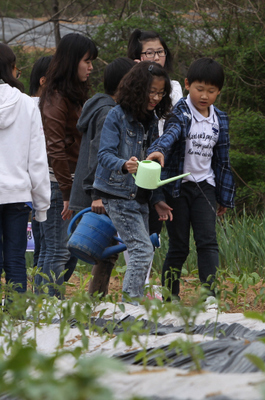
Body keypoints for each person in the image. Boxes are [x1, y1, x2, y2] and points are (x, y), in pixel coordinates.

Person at [146, 58, 236, 300]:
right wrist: (160, 150)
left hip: (205, 187)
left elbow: (223, 160)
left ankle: (210, 296)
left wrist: (224, 197)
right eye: (199, 89)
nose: (204, 96)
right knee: (179, 246)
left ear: (219, 91)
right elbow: (171, 134)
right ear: (187, 85)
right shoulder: (181, 113)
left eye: (211, 91)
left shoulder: (220, 119)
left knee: (208, 242)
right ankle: (170, 297)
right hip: (178, 188)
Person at [93, 61, 173, 304]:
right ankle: (130, 308)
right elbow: (103, 154)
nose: (156, 98)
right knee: (141, 251)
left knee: (143, 252)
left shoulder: (151, 119)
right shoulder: (115, 115)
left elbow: (152, 161)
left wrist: (158, 199)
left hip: (141, 197)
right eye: (152, 91)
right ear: (138, 88)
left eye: (161, 93)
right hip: (118, 195)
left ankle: (132, 305)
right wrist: (123, 164)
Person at [37, 33, 98, 297]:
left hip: (71, 182)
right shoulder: (55, 97)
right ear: (73, 61)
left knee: (64, 250)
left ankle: (42, 303)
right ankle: (47, 308)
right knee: (58, 250)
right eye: (87, 61)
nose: (91, 67)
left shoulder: (73, 94)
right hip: (56, 183)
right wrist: (65, 192)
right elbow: (55, 147)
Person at [69, 57, 135, 296]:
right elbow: (98, 156)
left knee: (104, 250)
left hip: (94, 190)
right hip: (98, 194)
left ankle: (96, 297)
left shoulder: (100, 106)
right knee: (102, 251)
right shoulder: (109, 112)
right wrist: (97, 194)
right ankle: (94, 299)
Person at [127, 29, 183, 287]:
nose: (156, 56)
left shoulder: (173, 88)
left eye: (159, 51)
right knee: (138, 228)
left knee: (156, 228)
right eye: (149, 52)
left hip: (162, 163)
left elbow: (176, 123)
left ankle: (151, 287)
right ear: (137, 58)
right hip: (135, 162)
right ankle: (140, 285)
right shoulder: (132, 87)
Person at [0, 43, 50, 294]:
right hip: (18, 194)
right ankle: (15, 320)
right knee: (15, 259)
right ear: (10, 68)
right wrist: (42, 206)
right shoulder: (27, 105)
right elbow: (38, 160)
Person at [29, 55, 53, 269]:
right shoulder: (35, 107)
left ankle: (38, 294)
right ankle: (42, 296)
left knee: (43, 246)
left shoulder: (23, 103)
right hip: (43, 182)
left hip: (30, 186)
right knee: (50, 247)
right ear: (43, 81)